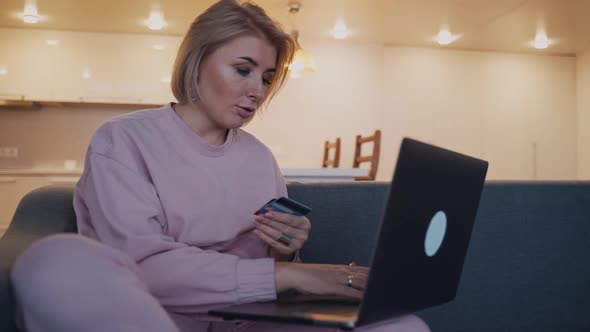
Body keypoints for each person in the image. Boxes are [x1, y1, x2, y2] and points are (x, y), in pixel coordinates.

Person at [10, 1, 430, 331]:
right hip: (159, 318)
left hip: (251, 322)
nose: (256, 92)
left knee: (403, 325)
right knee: (53, 259)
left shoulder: (260, 157)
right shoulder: (123, 139)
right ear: (196, 61)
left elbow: (274, 275)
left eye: (266, 77)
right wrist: (297, 277)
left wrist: (285, 251)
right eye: (243, 70)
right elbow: (142, 265)